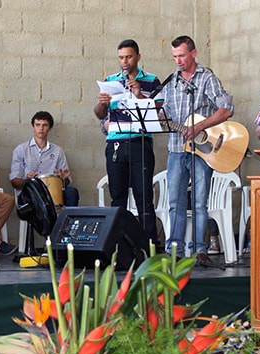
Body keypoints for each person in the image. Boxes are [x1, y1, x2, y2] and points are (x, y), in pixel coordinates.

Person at [160, 35, 234, 265]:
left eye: (182, 55)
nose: (178, 61)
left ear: (193, 53)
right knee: (175, 202)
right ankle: (176, 249)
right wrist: (160, 117)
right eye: (174, 57)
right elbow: (163, 114)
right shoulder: (170, 82)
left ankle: (200, 249)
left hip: (203, 151)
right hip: (176, 148)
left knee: (199, 202)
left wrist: (200, 126)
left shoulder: (207, 78)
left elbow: (226, 108)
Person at [93, 39, 160, 246]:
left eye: (129, 57)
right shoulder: (111, 80)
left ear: (138, 57)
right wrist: (102, 104)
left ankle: (148, 246)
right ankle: (118, 246)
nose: (124, 61)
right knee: (118, 198)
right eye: (121, 57)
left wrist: (139, 94)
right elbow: (99, 115)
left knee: (144, 199)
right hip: (116, 144)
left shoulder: (151, 80)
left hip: (140, 143)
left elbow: (157, 112)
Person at [10, 111, 79, 207]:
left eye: (45, 125)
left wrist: (63, 178)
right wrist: (28, 180)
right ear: (33, 127)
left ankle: (68, 221)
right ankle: (46, 221)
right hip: (31, 191)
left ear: (50, 128)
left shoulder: (57, 151)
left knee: (71, 192)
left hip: (52, 192)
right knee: (36, 200)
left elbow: (66, 183)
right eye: (38, 125)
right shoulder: (21, 149)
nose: (41, 128)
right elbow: (14, 181)